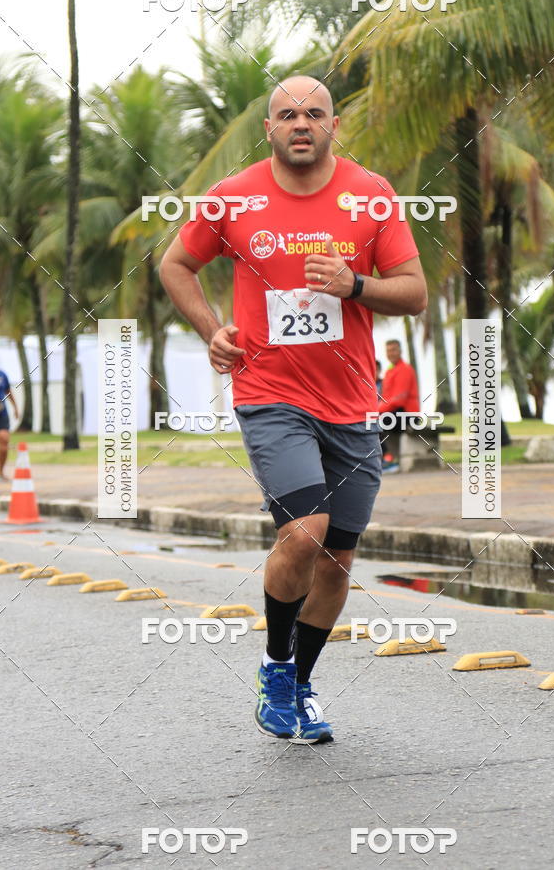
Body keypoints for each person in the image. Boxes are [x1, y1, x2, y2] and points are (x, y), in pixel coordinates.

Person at [160, 75, 427, 744]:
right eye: (287, 114)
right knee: (304, 532)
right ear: (270, 129)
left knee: (336, 561)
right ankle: (275, 668)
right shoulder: (232, 197)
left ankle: (298, 687)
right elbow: (175, 265)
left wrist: (355, 284)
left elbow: (414, 292)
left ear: (334, 124)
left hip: (351, 403)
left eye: (313, 113)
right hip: (270, 394)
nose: (300, 123)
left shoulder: (372, 194)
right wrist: (211, 330)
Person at [379, 340, 420, 472]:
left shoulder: (405, 369)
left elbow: (399, 400)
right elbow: (386, 398)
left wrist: (376, 410)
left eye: (394, 350)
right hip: (395, 413)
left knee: (375, 422)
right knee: (371, 421)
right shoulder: (389, 372)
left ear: (400, 351)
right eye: (388, 351)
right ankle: (386, 459)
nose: (391, 353)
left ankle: (388, 460)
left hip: (408, 415)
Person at [0, 368, 19, 481]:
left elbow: (8, 391)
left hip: (2, 413)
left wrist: (15, 407)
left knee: (4, 439)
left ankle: (0, 472)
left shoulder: (2, 375)